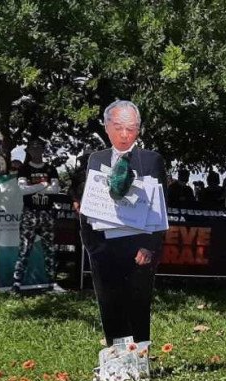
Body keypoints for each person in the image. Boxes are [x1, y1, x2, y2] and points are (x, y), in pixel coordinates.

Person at [80, 100, 167, 346]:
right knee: (109, 303)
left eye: (131, 128)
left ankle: (140, 360)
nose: (124, 134)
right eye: (118, 127)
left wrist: (150, 247)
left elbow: (161, 208)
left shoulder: (151, 160)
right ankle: (116, 361)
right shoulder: (95, 159)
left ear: (138, 130)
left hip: (139, 249)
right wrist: (93, 248)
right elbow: (87, 207)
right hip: (103, 247)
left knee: (138, 304)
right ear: (107, 127)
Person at [11, 140, 60, 294]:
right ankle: (16, 283)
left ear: (43, 151)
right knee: (24, 248)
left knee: (49, 249)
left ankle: (52, 283)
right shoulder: (24, 169)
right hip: (29, 213)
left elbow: (56, 189)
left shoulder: (51, 168)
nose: (36, 151)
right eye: (33, 148)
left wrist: (35, 188)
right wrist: (44, 185)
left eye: (39, 148)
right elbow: (23, 190)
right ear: (29, 151)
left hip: (47, 213)